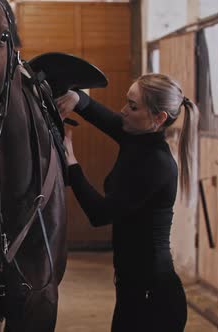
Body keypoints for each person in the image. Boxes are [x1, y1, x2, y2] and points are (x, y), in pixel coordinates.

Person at [56, 73, 198, 331]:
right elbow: (106, 118)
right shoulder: (137, 137)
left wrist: (72, 162)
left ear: (158, 118)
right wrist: (77, 99)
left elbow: (99, 214)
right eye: (126, 102)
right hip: (133, 289)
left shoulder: (156, 164)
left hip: (154, 299)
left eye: (133, 106)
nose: (123, 111)